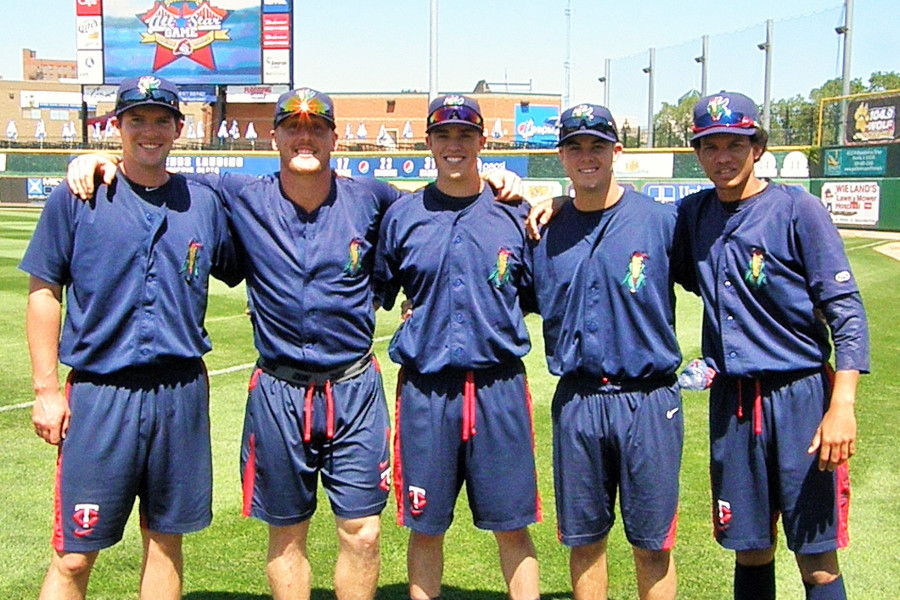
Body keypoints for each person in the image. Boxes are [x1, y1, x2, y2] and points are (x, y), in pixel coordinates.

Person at [66, 87, 523, 600]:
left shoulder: (373, 199)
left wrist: (497, 179)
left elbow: (444, 199)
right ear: (274, 135)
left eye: (316, 127)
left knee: (363, 532)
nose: (304, 136)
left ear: (334, 137)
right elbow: (150, 170)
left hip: (353, 388)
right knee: (286, 537)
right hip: (280, 390)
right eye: (292, 126)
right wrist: (97, 156)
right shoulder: (238, 194)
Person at [21, 75, 243, 600]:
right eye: (136, 119)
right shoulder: (79, 194)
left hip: (179, 393)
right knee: (75, 554)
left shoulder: (204, 201)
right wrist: (46, 390)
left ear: (179, 129)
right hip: (101, 394)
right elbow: (43, 291)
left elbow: (254, 245)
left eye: (161, 120)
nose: (150, 131)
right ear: (116, 127)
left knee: (165, 542)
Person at [671, 91, 869, 600]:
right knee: (750, 547)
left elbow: (845, 311)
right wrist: (561, 203)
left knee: (816, 555)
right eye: (710, 146)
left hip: (801, 397)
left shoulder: (796, 209)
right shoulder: (693, 216)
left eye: (735, 144)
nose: (723, 157)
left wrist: (841, 406)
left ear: (756, 147)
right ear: (698, 155)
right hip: (735, 403)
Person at [374, 95, 541, 600]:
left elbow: (534, 295)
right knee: (426, 526)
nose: (453, 145)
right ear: (427, 143)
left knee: (512, 525)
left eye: (464, 135)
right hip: (428, 391)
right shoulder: (403, 216)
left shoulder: (515, 215)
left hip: (498, 388)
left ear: (482, 142)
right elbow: (375, 289)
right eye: (443, 135)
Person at [528, 103, 682, 600]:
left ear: (617, 151)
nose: (586, 156)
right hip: (578, 401)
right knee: (585, 542)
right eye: (575, 146)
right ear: (562, 156)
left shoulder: (661, 222)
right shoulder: (544, 230)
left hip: (649, 400)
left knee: (652, 545)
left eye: (597, 145)